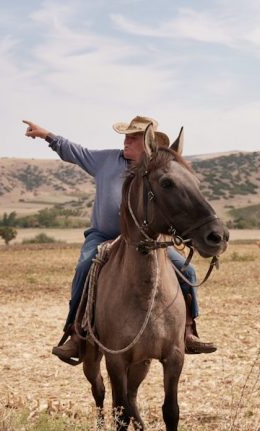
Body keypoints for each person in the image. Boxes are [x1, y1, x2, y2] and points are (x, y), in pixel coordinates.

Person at [22, 115, 217, 362]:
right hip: (103, 236)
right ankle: (75, 332)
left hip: (145, 240)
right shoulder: (105, 160)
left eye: (133, 138)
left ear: (147, 142)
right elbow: (75, 152)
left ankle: (188, 330)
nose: (126, 141)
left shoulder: (155, 170)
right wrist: (47, 135)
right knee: (84, 266)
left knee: (187, 273)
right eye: (125, 136)